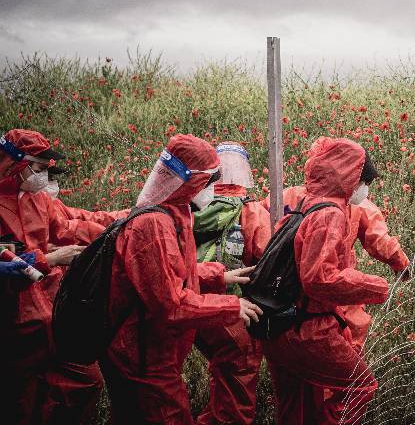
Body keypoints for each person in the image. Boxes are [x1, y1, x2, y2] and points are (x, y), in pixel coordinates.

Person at [101, 134, 263, 425]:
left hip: (150, 351)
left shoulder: (173, 214)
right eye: (209, 181)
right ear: (189, 181)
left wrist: (217, 274)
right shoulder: (154, 225)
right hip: (144, 358)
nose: (214, 190)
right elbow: (171, 303)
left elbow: (170, 272)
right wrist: (230, 306)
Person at [262, 137, 390, 425]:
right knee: (361, 386)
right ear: (350, 178)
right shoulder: (330, 213)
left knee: (297, 406)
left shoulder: (306, 202)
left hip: (279, 324)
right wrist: (375, 286)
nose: (364, 190)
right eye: (363, 181)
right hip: (308, 328)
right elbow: (319, 278)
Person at [0, 129, 107, 425]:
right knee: (20, 398)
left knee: (88, 381)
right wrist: (52, 259)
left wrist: (117, 232)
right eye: (38, 167)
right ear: (16, 164)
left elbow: (68, 228)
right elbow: (6, 263)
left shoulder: (37, 199)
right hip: (13, 320)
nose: (43, 176)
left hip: (49, 314)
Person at [263, 182, 409, 352]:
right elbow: (378, 237)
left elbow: (262, 233)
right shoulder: (353, 204)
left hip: (287, 287)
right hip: (332, 283)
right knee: (347, 346)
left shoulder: (291, 195)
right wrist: (400, 263)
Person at [194, 142, 272, 425]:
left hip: (193, 305)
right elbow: (266, 260)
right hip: (231, 309)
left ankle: (213, 417)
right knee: (238, 372)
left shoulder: (192, 208)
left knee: (221, 368)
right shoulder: (251, 211)